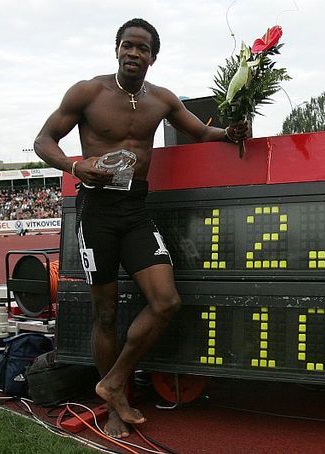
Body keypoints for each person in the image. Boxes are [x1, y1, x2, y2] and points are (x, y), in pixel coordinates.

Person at [33, 18, 248, 438]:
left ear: (153, 56)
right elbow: (44, 140)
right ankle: (115, 404)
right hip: (96, 211)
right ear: (116, 50)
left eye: (143, 48)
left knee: (166, 301)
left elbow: (201, 130)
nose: (134, 54)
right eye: (128, 46)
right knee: (107, 313)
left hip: (135, 210)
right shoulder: (88, 92)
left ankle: (113, 382)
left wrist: (231, 132)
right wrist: (76, 166)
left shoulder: (162, 100)